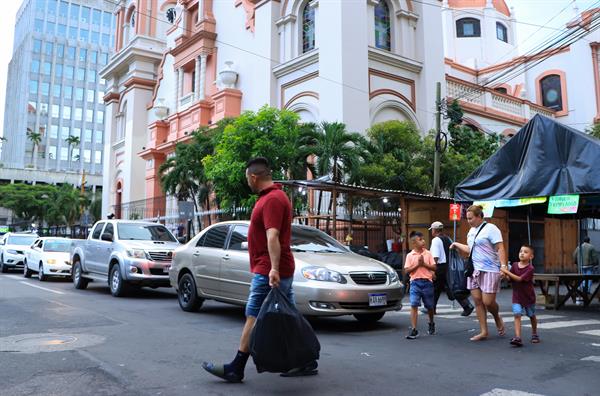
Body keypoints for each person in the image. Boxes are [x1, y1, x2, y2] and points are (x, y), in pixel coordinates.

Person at [202, 157, 318, 383]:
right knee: (288, 315)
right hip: (273, 266)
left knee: (253, 312)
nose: (247, 182)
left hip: (269, 268)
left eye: (247, 178)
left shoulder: (273, 199)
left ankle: (237, 367)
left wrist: (273, 268)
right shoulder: (270, 198)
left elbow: (272, 236)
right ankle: (305, 360)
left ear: (254, 177)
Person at [451, 205, 507, 342]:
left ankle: (497, 317)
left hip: (490, 269)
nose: (469, 221)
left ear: (479, 216)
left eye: (471, 218)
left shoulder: (491, 229)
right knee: (477, 300)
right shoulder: (471, 231)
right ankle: (483, 331)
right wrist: (456, 244)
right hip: (474, 269)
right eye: (467, 218)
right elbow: (470, 249)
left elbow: (500, 247)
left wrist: (504, 266)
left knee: (488, 302)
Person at [428, 221, 474, 316]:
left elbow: (435, 257)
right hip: (449, 267)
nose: (431, 231)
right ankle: (467, 306)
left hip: (440, 267)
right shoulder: (448, 239)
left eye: (432, 229)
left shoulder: (436, 240)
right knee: (453, 288)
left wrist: (432, 270)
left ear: (434, 230)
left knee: (435, 289)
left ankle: (432, 308)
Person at [500, 244, 540, 347]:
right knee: (517, 314)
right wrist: (504, 276)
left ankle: (534, 333)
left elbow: (519, 279)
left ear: (531, 257)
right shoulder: (514, 265)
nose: (522, 253)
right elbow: (510, 279)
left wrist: (506, 271)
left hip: (528, 297)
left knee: (531, 315)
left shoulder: (530, 268)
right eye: (521, 251)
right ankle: (518, 337)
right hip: (517, 296)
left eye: (525, 252)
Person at [404, 231, 437, 339]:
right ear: (414, 242)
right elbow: (407, 271)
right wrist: (418, 264)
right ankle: (414, 329)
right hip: (415, 283)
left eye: (423, 239)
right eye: (420, 239)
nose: (423, 241)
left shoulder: (428, 253)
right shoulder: (410, 255)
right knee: (414, 304)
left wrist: (424, 264)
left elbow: (434, 267)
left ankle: (431, 322)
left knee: (429, 306)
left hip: (427, 283)